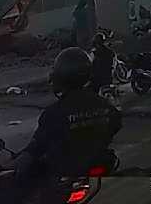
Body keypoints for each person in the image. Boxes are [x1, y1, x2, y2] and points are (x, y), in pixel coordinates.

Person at [15, 48, 123, 201]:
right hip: (97, 166)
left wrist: (15, 163)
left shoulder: (53, 113)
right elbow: (115, 125)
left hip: (63, 174)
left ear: (61, 77)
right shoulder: (105, 105)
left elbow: (36, 148)